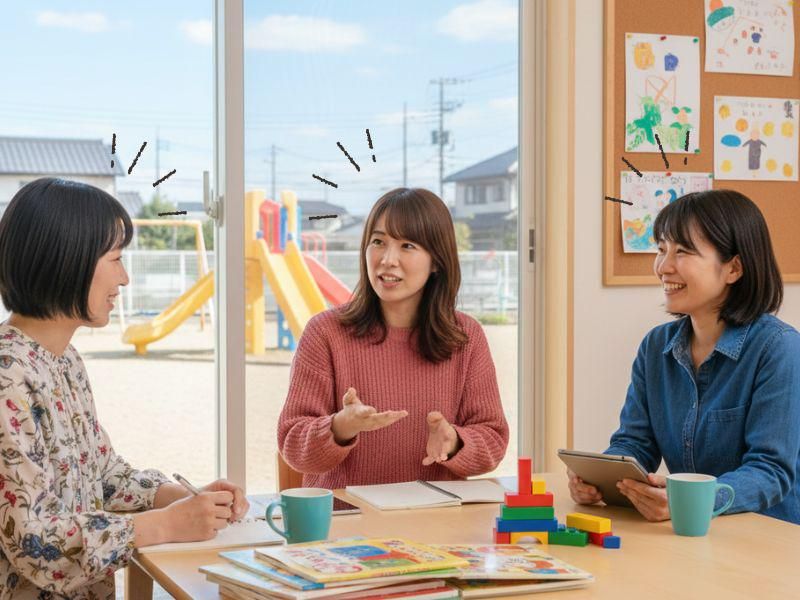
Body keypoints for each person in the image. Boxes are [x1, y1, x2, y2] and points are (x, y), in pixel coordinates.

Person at [0, 178, 249, 599]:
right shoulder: (8, 376)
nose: (125, 277)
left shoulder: (65, 360)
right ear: (67, 260)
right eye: (115, 259)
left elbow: (103, 476)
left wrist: (184, 499)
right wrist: (166, 524)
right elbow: (35, 543)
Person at [568, 189, 800, 524]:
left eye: (683, 251)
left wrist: (689, 501)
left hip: (767, 535)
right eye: (661, 249)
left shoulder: (778, 348)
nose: (663, 267)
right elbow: (636, 443)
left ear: (734, 268)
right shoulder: (656, 346)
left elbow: (770, 472)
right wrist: (601, 480)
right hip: (691, 534)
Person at [277, 187, 509, 489]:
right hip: (346, 515)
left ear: (436, 261)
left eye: (407, 245)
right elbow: (293, 445)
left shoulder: (466, 337)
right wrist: (340, 426)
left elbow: (493, 439)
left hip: (436, 514)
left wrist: (454, 441)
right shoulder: (325, 333)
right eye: (378, 242)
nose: (387, 259)